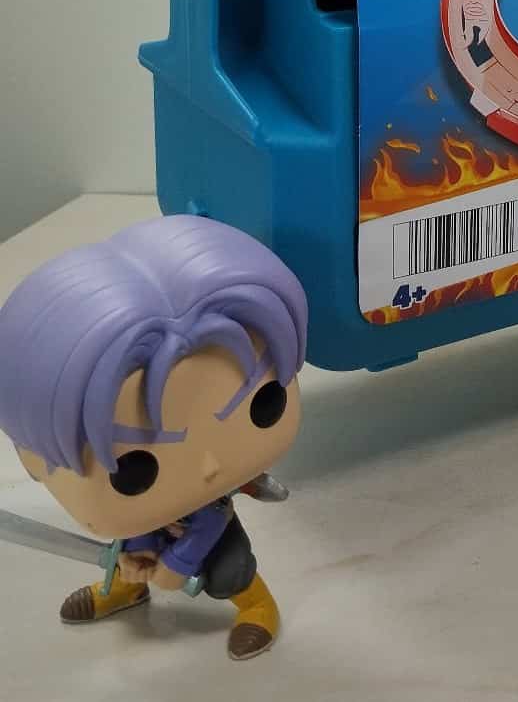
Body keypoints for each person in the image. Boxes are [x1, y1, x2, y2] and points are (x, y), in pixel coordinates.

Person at [0, 216, 308, 660]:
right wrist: (141, 556)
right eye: (134, 468)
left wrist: (176, 566)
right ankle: (125, 587)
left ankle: (258, 606)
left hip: (208, 532)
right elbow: (137, 526)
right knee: (127, 550)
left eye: (265, 402)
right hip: (146, 526)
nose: (210, 467)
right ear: (31, 457)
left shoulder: (209, 501)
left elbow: (209, 524)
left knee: (231, 570)